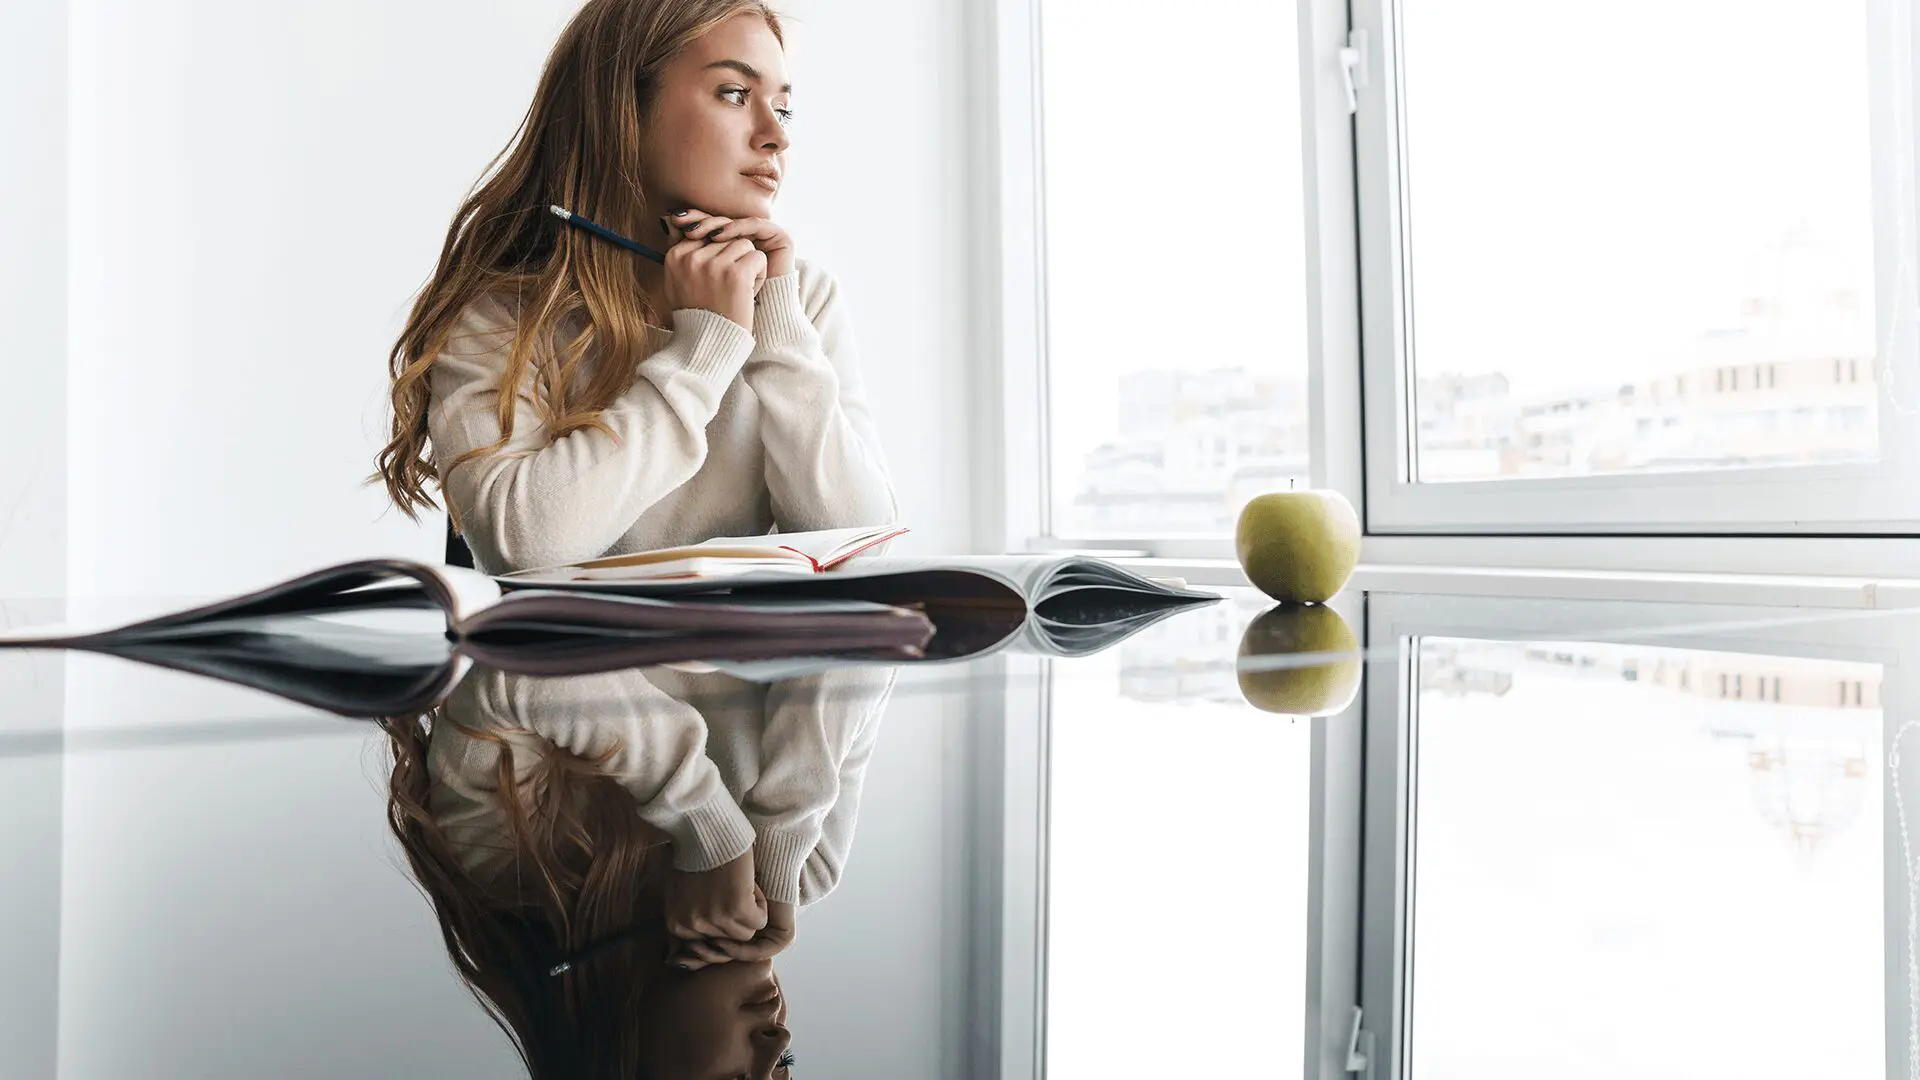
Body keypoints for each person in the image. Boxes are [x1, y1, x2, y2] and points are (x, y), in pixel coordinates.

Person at [373, 0, 895, 575]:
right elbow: (522, 547)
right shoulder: (503, 313)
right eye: (734, 94)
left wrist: (775, 322)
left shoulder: (799, 299)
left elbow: (863, 543)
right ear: (622, 107)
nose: (776, 137)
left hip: (754, 662)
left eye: (784, 109)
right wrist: (702, 351)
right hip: (563, 664)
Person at [379, 661, 896, 1079]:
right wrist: (782, 832)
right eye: (785, 1067)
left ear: (619, 1059)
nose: (778, 1040)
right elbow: (875, 636)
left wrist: (706, 827)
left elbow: (522, 667)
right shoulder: (803, 865)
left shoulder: (511, 867)